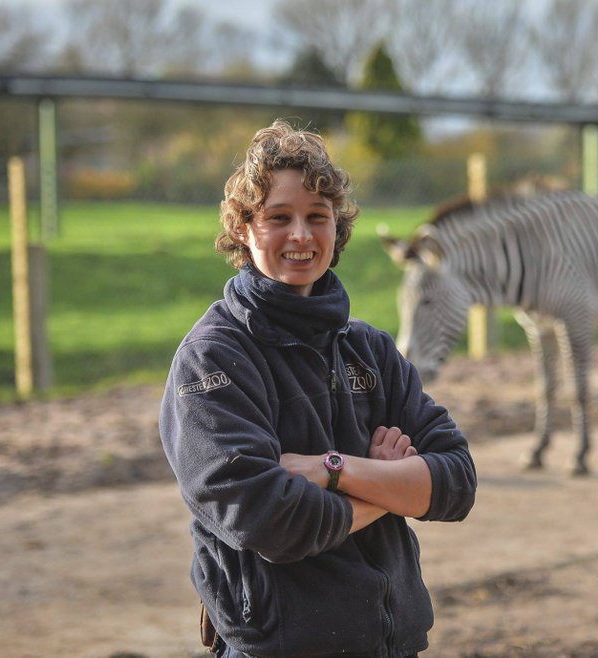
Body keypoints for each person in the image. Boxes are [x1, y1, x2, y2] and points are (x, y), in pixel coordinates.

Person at [159, 119, 477, 657]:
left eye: (317, 217)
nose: (301, 236)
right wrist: (391, 486)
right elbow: (275, 520)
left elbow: (456, 483)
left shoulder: (370, 351)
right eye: (279, 218)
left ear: (338, 228)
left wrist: (335, 470)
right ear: (243, 228)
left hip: (392, 644)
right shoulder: (213, 359)